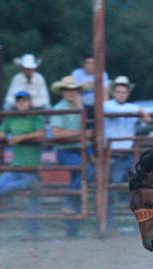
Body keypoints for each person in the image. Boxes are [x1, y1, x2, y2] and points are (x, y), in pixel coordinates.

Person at [0, 91, 45, 240]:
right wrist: (1, 134)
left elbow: (42, 134)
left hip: (31, 167)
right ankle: (29, 185)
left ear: (30, 103)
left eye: (24, 101)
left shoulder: (36, 118)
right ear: (16, 103)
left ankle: (32, 233)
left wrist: (20, 137)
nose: (22, 103)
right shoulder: (11, 118)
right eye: (19, 101)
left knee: (31, 197)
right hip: (16, 166)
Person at [104, 76, 152, 231]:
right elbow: (117, 111)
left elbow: (144, 124)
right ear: (113, 93)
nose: (121, 94)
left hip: (128, 154)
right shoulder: (108, 106)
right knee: (111, 189)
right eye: (118, 91)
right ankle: (108, 223)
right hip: (113, 155)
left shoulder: (130, 108)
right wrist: (141, 112)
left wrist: (141, 114)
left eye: (124, 92)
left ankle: (135, 222)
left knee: (134, 188)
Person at [50, 76, 94, 238]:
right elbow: (57, 134)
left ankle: (72, 228)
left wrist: (81, 108)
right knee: (85, 173)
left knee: (79, 182)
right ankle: (69, 202)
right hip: (65, 151)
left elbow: (85, 132)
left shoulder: (80, 108)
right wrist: (81, 134)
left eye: (73, 90)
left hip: (79, 150)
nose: (71, 93)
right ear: (62, 92)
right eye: (68, 90)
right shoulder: (58, 108)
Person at [71, 54, 109, 125]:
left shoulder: (102, 74)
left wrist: (104, 107)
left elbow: (105, 92)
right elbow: (75, 92)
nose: (90, 66)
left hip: (97, 106)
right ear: (83, 64)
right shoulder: (77, 73)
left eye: (93, 63)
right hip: (82, 105)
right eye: (88, 63)